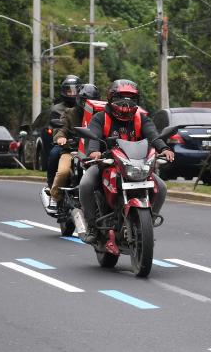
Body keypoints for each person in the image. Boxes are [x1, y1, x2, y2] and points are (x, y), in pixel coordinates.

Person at [78, 79, 175, 244]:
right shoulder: (100, 118)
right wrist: (94, 151)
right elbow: (93, 136)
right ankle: (92, 226)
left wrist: (164, 148)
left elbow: (153, 135)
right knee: (85, 184)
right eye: (121, 98)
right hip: (107, 163)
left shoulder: (141, 119)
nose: (126, 103)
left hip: (136, 165)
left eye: (131, 99)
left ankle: (147, 223)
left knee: (162, 188)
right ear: (111, 98)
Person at [47, 83, 100, 207]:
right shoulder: (70, 113)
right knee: (63, 172)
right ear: (79, 100)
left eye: (92, 101)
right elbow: (61, 128)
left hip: (93, 153)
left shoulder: (100, 115)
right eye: (85, 101)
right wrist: (61, 137)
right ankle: (55, 196)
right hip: (72, 151)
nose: (88, 104)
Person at [46, 75, 82, 202]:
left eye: (75, 90)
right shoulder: (58, 109)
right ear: (63, 91)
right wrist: (61, 138)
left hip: (85, 146)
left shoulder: (89, 109)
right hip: (67, 144)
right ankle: (51, 187)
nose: (72, 93)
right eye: (69, 90)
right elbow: (59, 128)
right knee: (54, 154)